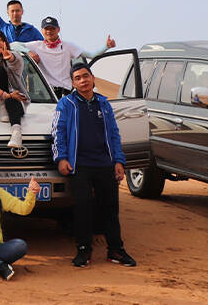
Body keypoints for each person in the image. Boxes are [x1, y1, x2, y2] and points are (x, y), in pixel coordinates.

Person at [53, 62, 136, 268]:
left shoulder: (104, 103)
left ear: (93, 78)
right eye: (78, 78)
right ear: (73, 83)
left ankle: (115, 250)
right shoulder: (66, 104)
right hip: (79, 164)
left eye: (85, 76)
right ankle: (84, 250)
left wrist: (118, 160)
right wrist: (61, 158)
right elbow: (58, 132)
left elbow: (114, 133)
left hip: (105, 164)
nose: (83, 81)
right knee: (83, 208)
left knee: (110, 209)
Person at [20, 16, 116, 99]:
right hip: (47, 95)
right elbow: (14, 45)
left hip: (65, 93)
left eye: (52, 28)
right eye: (46, 29)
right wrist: (28, 52)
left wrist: (106, 47)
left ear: (58, 29)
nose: (49, 31)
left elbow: (91, 55)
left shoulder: (68, 46)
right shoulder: (36, 46)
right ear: (42, 30)